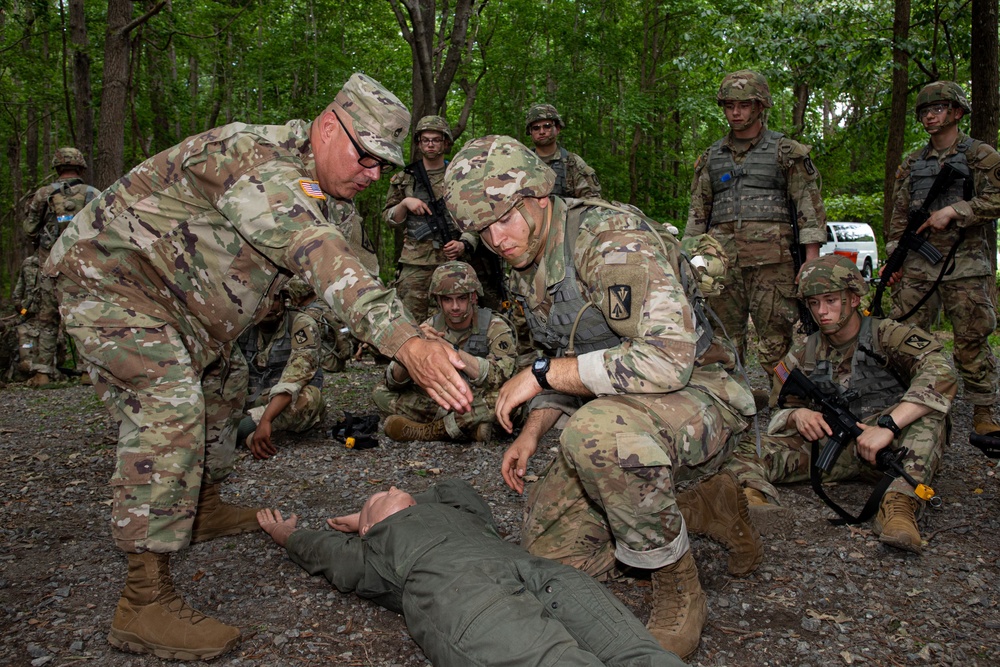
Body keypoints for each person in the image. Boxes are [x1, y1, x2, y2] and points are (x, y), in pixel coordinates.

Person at [43, 72, 474, 660]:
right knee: (169, 399)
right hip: (109, 279)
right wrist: (405, 342)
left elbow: (350, 271)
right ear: (328, 126)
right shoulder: (253, 158)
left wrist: (420, 332)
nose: (373, 175)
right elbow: (319, 257)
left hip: (180, 305)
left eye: (382, 165)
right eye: (365, 156)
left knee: (226, 383)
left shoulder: (327, 196)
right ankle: (142, 602)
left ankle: (202, 504)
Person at [443, 135, 762, 659]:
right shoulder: (528, 258)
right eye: (482, 228)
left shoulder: (610, 240)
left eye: (504, 218)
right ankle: (699, 505)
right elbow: (565, 356)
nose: (497, 238)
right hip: (628, 403)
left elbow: (665, 359)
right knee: (552, 555)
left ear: (538, 197)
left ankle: (676, 582)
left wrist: (540, 376)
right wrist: (531, 430)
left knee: (597, 432)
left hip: (702, 391)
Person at [257, 478, 688, 667]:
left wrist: (376, 512)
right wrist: (284, 533)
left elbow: (457, 488)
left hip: (533, 570)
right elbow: (322, 552)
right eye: (381, 494)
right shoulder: (374, 552)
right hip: (463, 594)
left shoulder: (456, 513)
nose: (393, 486)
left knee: (637, 651)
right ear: (370, 529)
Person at [727, 255, 957, 552]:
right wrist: (797, 414)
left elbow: (942, 371)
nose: (822, 312)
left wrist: (888, 425)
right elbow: (779, 404)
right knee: (746, 445)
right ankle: (753, 501)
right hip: (833, 445)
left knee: (929, 419)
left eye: (831, 300)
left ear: (852, 298)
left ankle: (898, 507)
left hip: (891, 450)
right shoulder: (805, 350)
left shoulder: (887, 334)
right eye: (813, 303)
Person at [685, 70, 827, 404]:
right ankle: (732, 403)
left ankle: (788, 404)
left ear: (760, 106)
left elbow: (808, 208)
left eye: (744, 105)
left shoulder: (786, 152)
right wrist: (690, 261)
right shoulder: (711, 157)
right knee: (722, 339)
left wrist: (811, 262)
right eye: (729, 105)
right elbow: (697, 215)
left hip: (773, 265)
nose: (735, 112)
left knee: (776, 342)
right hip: (722, 267)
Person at [886, 80, 1000, 436]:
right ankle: (911, 403)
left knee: (972, 338)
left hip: (965, 265)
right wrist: (895, 259)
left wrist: (957, 209)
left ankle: (983, 410)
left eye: (937, 109)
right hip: (919, 266)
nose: (930, 116)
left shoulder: (980, 155)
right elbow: (900, 215)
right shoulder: (913, 162)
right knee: (907, 337)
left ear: (957, 112)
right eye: (924, 111)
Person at [374, 261, 516, 443]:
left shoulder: (494, 326)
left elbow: (500, 377)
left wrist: (448, 347)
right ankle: (467, 427)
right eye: (448, 299)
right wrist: (411, 354)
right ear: (438, 300)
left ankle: (432, 430)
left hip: (478, 396)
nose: (455, 307)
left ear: (473, 297)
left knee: (509, 400)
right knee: (380, 392)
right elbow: (393, 383)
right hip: (445, 400)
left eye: (461, 298)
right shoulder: (429, 326)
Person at [383, 115, 480, 323]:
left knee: (457, 320)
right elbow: (389, 218)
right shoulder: (405, 178)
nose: (430, 144)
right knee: (409, 322)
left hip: (452, 261)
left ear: (445, 143)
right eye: (425, 140)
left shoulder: (459, 176)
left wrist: (464, 244)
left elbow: (476, 218)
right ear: (418, 143)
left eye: (436, 140)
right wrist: (405, 203)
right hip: (415, 263)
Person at [19, 147, 101, 386]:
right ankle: (87, 371)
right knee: (83, 316)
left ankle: (43, 372)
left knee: (46, 318)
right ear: (80, 166)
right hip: (82, 266)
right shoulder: (93, 193)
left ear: (57, 166)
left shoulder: (43, 194)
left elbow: (30, 228)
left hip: (49, 265)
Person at [235, 278, 326, 459]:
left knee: (311, 398)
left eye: (274, 298)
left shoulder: (301, 324)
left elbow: (296, 376)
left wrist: (266, 420)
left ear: (284, 300)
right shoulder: (240, 326)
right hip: (248, 398)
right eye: (261, 298)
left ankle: (240, 429)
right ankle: (243, 432)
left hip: (283, 401)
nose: (268, 305)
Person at [524, 104, 602, 199]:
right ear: (530, 132)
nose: (542, 132)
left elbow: (592, 201)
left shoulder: (572, 163)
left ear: (557, 129)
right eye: (536, 128)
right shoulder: (522, 163)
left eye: (547, 126)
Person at [12, 247, 61, 385]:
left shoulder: (56, 262)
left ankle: (48, 370)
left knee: (53, 338)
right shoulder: (28, 263)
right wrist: (20, 307)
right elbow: (18, 290)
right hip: (31, 313)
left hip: (51, 314)